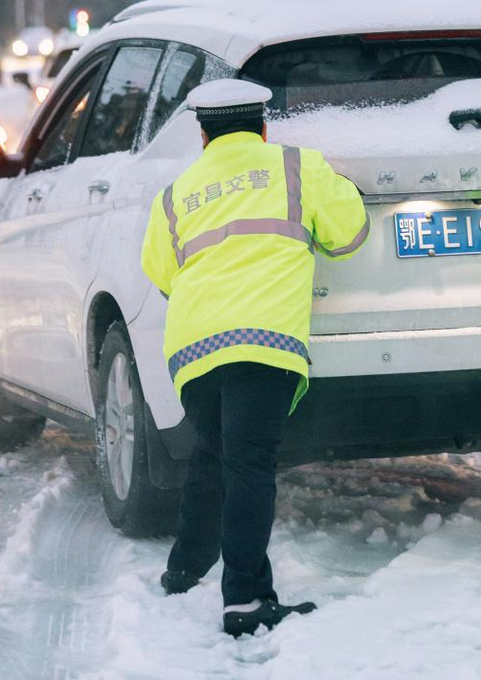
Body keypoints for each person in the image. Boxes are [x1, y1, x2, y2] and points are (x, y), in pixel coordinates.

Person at [141, 79, 370, 636]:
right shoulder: (297, 167)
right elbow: (350, 235)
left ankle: (183, 570)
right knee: (248, 464)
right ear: (263, 127)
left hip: (194, 349)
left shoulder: (177, 192)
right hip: (263, 341)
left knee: (212, 455)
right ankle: (244, 600)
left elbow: (161, 272)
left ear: (203, 136)